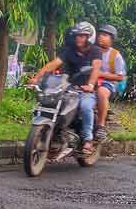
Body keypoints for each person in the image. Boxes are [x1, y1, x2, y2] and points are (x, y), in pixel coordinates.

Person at [29, 22, 102, 155]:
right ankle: (53, 135)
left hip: (86, 91)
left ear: (89, 37)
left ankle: (88, 140)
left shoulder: (95, 51)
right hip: (68, 87)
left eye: (82, 36)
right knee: (52, 103)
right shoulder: (69, 49)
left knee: (85, 107)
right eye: (77, 35)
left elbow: (96, 69)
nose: (78, 38)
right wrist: (37, 78)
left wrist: (90, 85)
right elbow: (54, 64)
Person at [94, 24, 126, 142]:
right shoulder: (92, 51)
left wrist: (100, 75)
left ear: (112, 39)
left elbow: (120, 77)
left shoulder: (115, 55)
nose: (101, 37)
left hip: (108, 84)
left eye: (105, 35)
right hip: (90, 82)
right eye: (100, 34)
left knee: (102, 93)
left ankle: (101, 127)